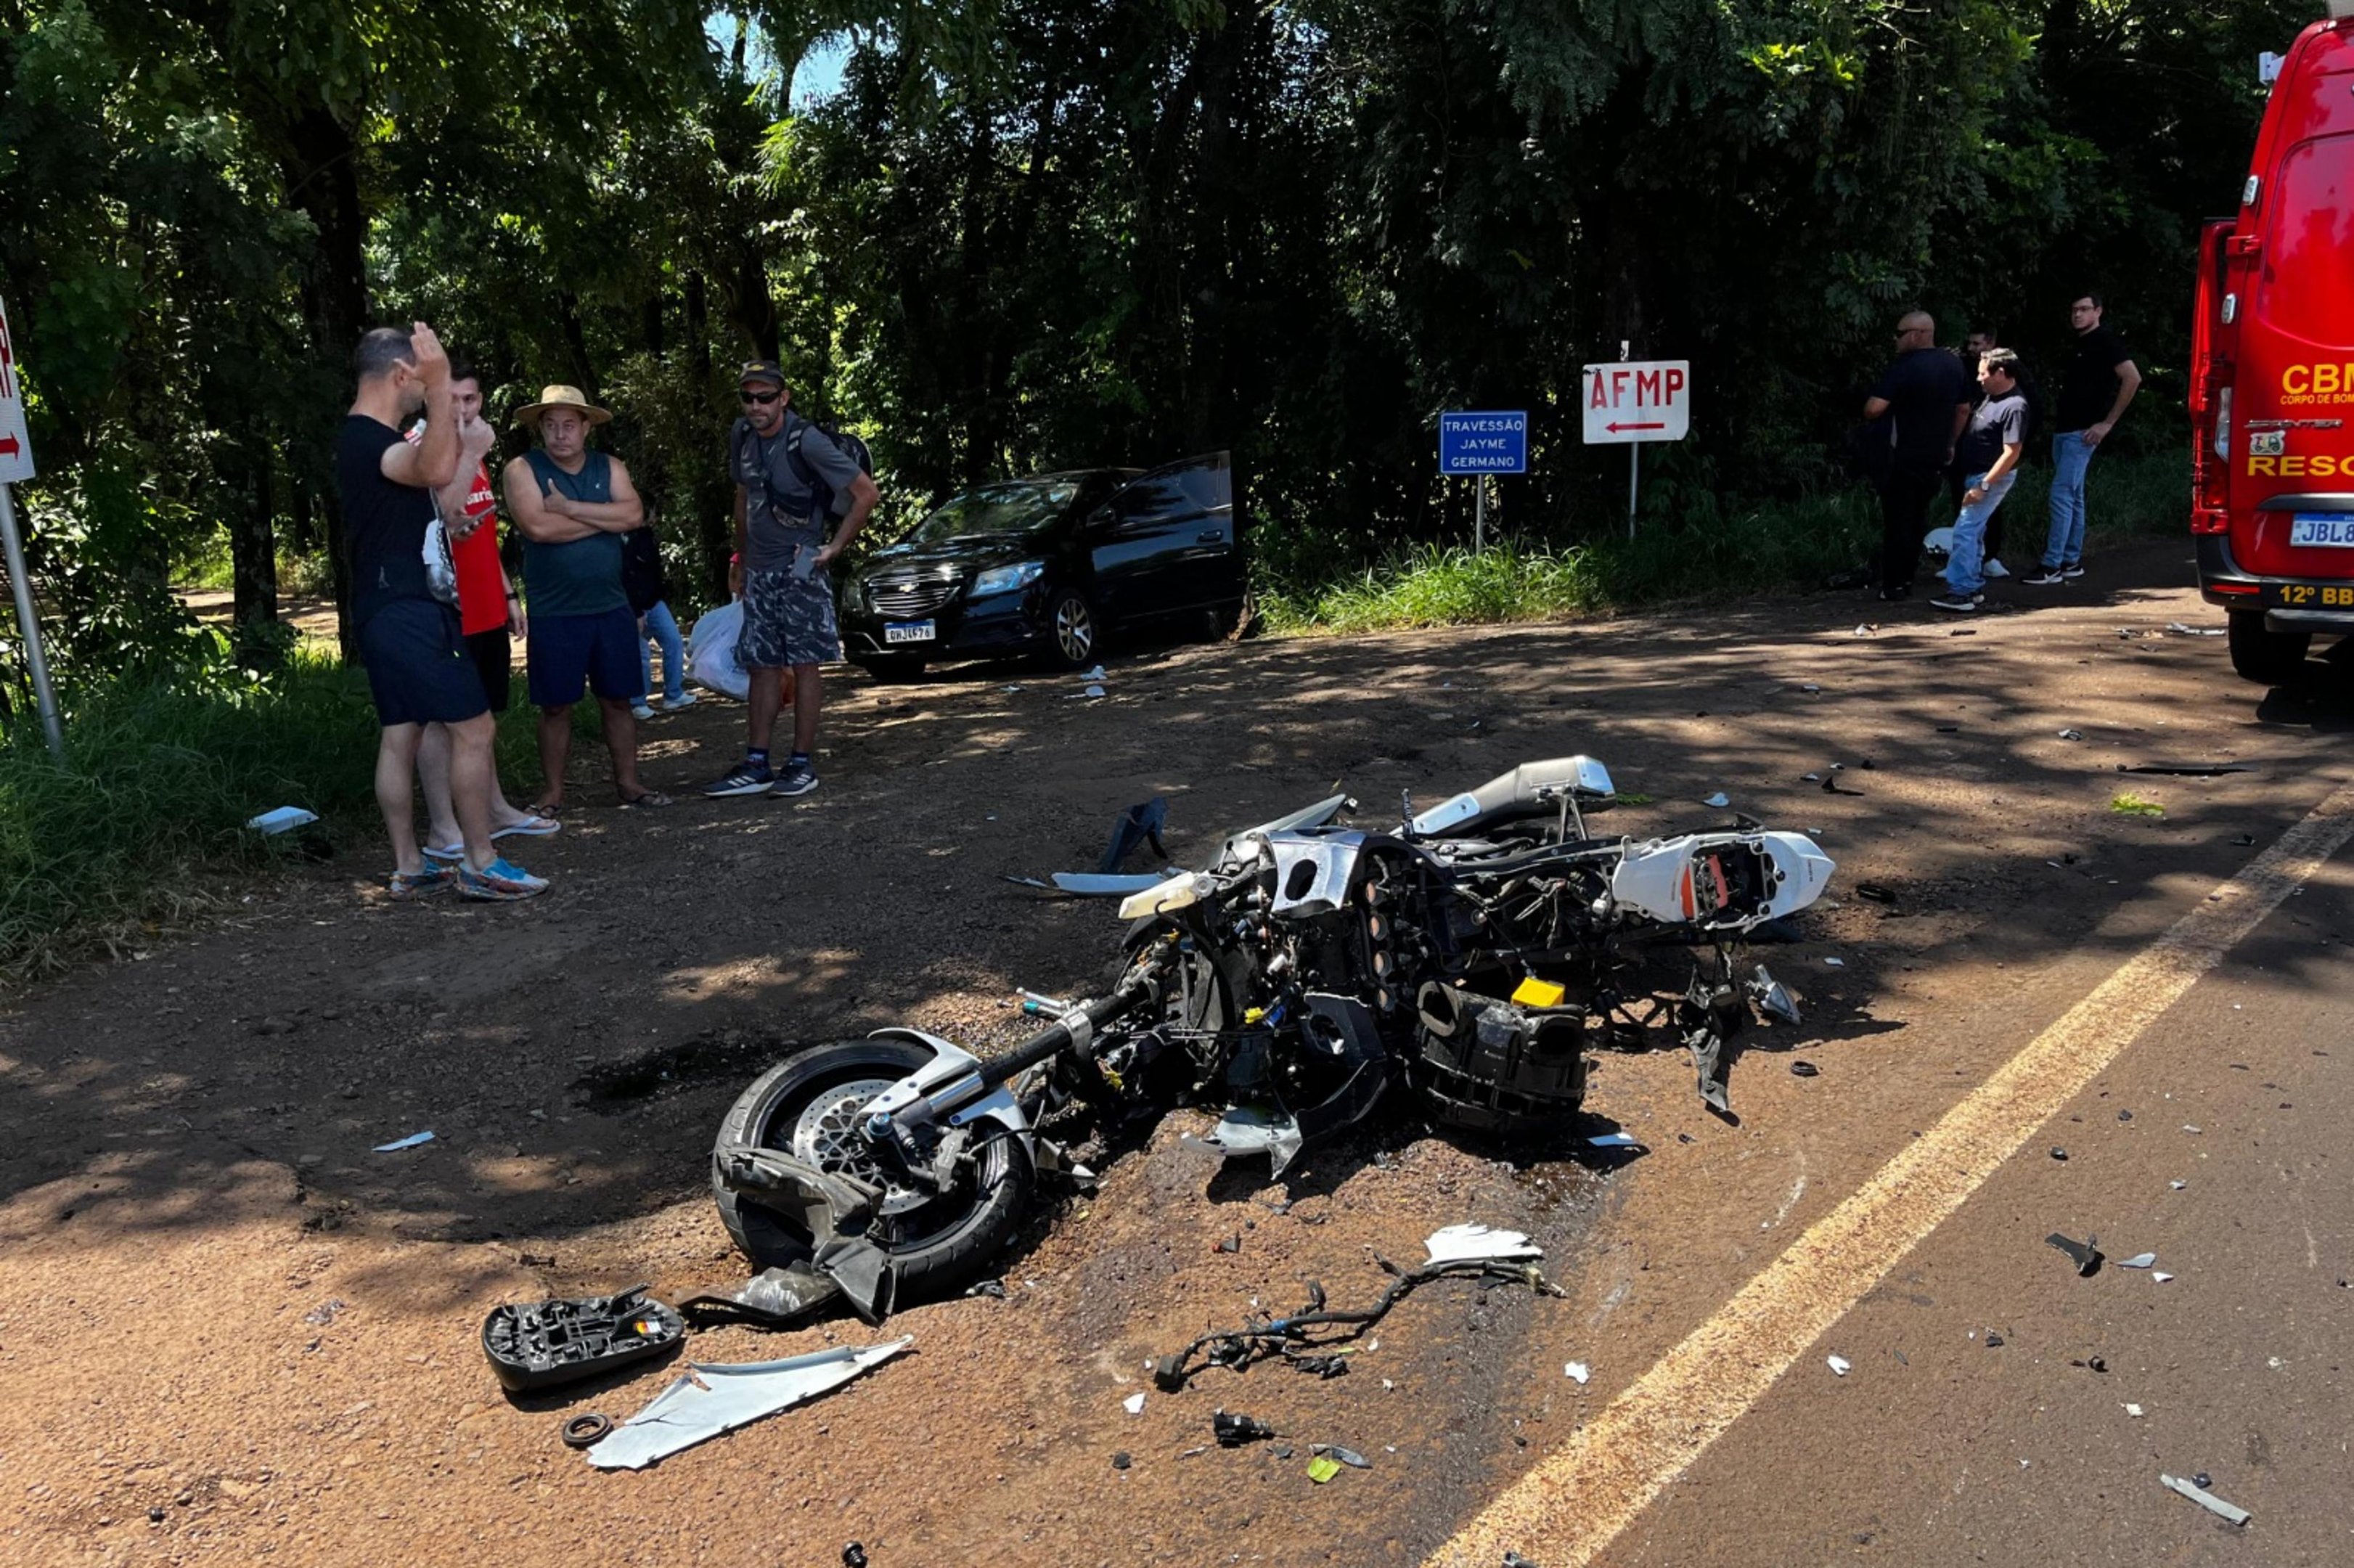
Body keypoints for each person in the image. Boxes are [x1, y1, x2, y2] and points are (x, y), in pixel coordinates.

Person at [336, 325, 547, 902]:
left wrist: (470, 447)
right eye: (428, 376)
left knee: (401, 733)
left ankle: (411, 865)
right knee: (474, 728)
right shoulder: (366, 439)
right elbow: (432, 473)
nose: (441, 387)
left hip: (392, 608)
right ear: (404, 376)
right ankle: (480, 861)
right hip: (406, 610)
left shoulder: (373, 440)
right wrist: (442, 397)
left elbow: (442, 503)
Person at [702, 360, 878, 799]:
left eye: (765, 397)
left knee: (804, 664)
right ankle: (757, 762)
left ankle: (801, 763)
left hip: (800, 569)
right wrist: (739, 558)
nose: (756, 406)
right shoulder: (742, 436)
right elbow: (743, 496)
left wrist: (834, 547)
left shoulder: (807, 440)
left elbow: (866, 493)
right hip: (758, 570)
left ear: (783, 398)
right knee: (761, 665)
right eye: (748, 398)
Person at [406, 362, 560, 859]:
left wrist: (507, 593)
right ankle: (443, 828)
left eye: (471, 399)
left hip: (485, 603)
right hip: (441, 606)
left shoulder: (478, 452)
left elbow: (484, 532)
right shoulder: (416, 449)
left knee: (483, 718)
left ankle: (493, 809)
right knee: (438, 720)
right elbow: (429, 527)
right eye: (452, 399)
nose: (463, 410)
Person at [502, 385, 671, 811]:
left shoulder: (609, 466)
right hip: (555, 610)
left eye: (569, 425)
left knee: (618, 699)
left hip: (611, 605)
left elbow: (633, 515)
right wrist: (604, 520)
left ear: (586, 428)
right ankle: (554, 793)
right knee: (556, 705)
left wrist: (568, 508)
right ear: (540, 428)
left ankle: (630, 784)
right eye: (552, 425)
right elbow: (538, 529)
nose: (561, 434)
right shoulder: (521, 469)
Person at [2024, 292, 2141, 586]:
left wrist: (2107, 423)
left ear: (2098, 311)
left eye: (2084, 309)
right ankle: (2070, 561)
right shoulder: (2082, 343)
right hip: (2066, 430)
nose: (2077, 315)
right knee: (2073, 497)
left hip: (2083, 433)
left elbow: (2133, 377)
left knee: (2061, 495)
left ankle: (2051, 565)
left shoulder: (2106, 341)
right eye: (2074, 309)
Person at [1862, 310, 1973, 602]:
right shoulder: (1954, 364)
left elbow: (1874, 408)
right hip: (1935, 454)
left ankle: (1894, 584)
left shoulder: (1904, 366)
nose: (1895, 340)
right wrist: (1951, 443)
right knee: (1919, 516)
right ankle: (1908, 577)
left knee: (1898, 518)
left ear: (1916, 334)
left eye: (1899, 334)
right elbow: (1963, 409)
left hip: (1901, 455)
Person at [1930, 350, 2030, 613]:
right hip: (1976, 473)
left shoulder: (2015, 406)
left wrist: (1983, 485)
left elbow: (2012, 452)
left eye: (1983, 373)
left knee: (1965, 530)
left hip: (1990, 477)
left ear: (2000, 373)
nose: (1978, 378)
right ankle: (1971, 587)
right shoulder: (1990, 397)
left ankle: (1961, 592)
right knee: (1972, 531)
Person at [622, 520, 694, 721]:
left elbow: (653, 570)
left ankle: (674, 694)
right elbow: (625, 576)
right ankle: (638, 702)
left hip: (653, 601)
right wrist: (635, 610)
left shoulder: (646, 536)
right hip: (630, 604)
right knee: (641, 653)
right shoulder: (615, 538)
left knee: (673, 641)